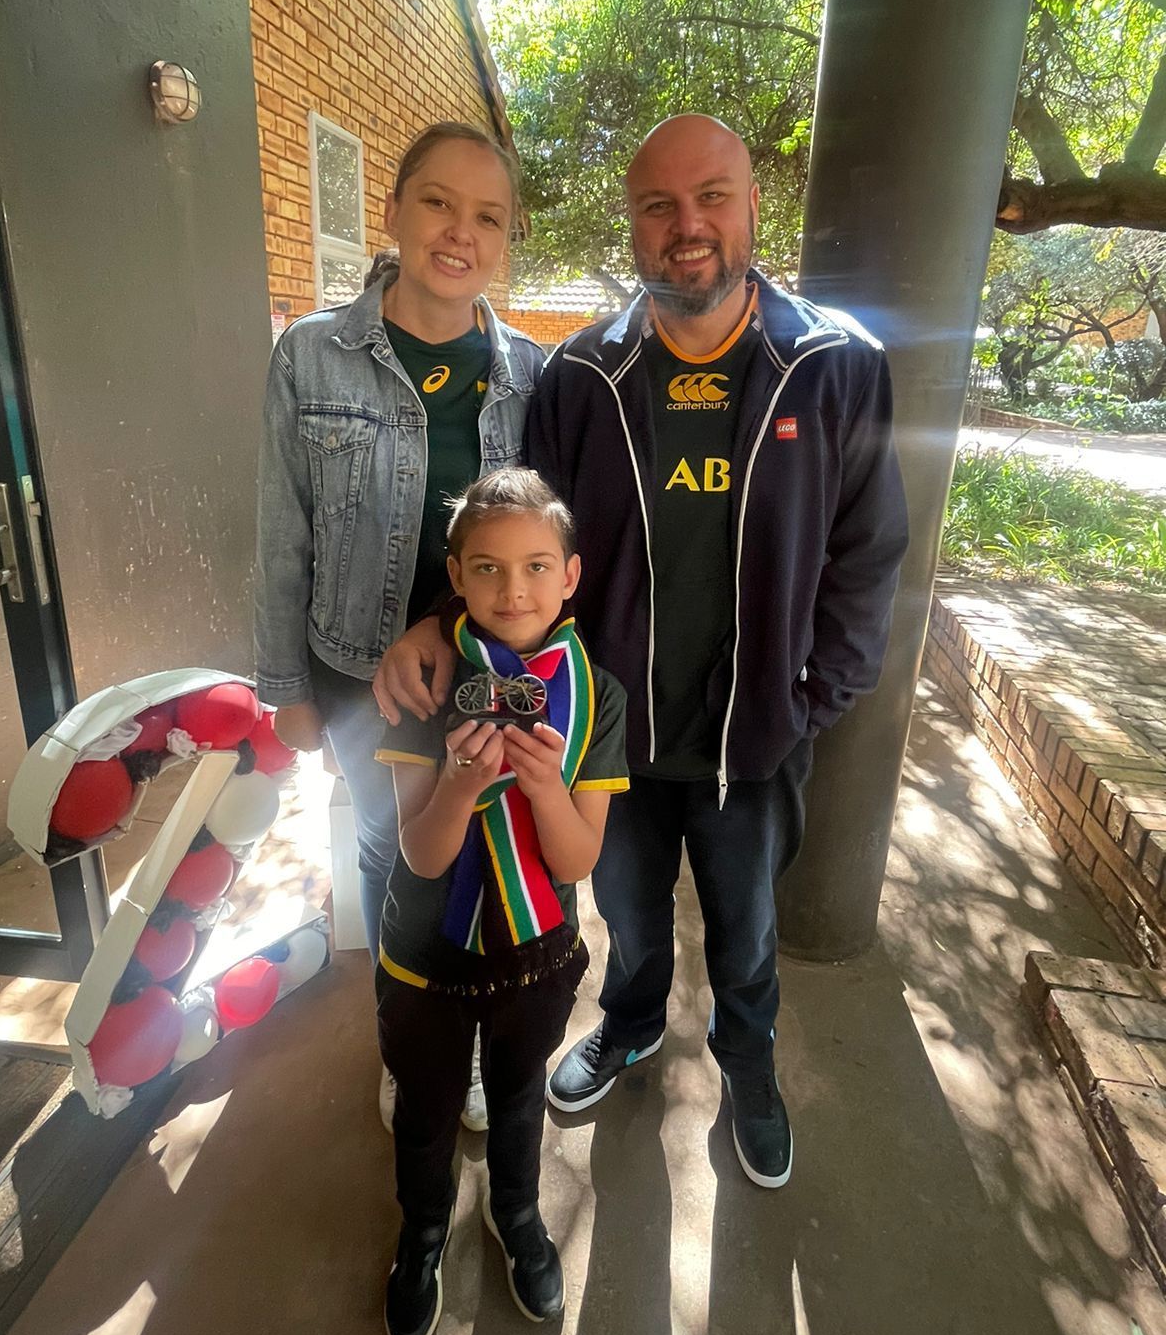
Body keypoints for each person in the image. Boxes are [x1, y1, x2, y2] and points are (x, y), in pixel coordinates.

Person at [374, 114, 908, 1191]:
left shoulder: (834, 366)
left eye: (712, 196)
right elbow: (520, 544)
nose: (687, 226)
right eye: (658, 206)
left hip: (754, 735)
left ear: (754, 206)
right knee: (626, 915)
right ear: (633, 225)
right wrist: (444, 613)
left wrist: (813, 697)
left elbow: (869, 550)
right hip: (609, 734)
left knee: (748, 933)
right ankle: (627, 1025)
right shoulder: (583, 377)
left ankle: (748, 1065)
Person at [254, 121, 544, 1130]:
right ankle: (408, 1044)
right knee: (387, 858)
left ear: (506, 241)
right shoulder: (310, 357)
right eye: (437, 202)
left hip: (486, 674)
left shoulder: (531, 376)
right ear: (392, 210)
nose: (459, 232)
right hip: (349, 672)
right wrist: (281, 688)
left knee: (471, 854)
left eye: (487, 216)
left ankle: (467, 1042)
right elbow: (281, 535)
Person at [374, 468, 627, 1335]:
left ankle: (518, 1215)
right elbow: (420, 851)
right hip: (425, 952)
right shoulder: (422, 687)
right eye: (485, 568)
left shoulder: (600, 696)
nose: (512, 589)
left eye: (535, 566)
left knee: (520, 1096)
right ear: (455, 575)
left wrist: (545, 787)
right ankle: (425, 1231)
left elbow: (577, 856)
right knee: (427, 1106)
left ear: (571, 575)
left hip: (537, 951)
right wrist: (459, 785)